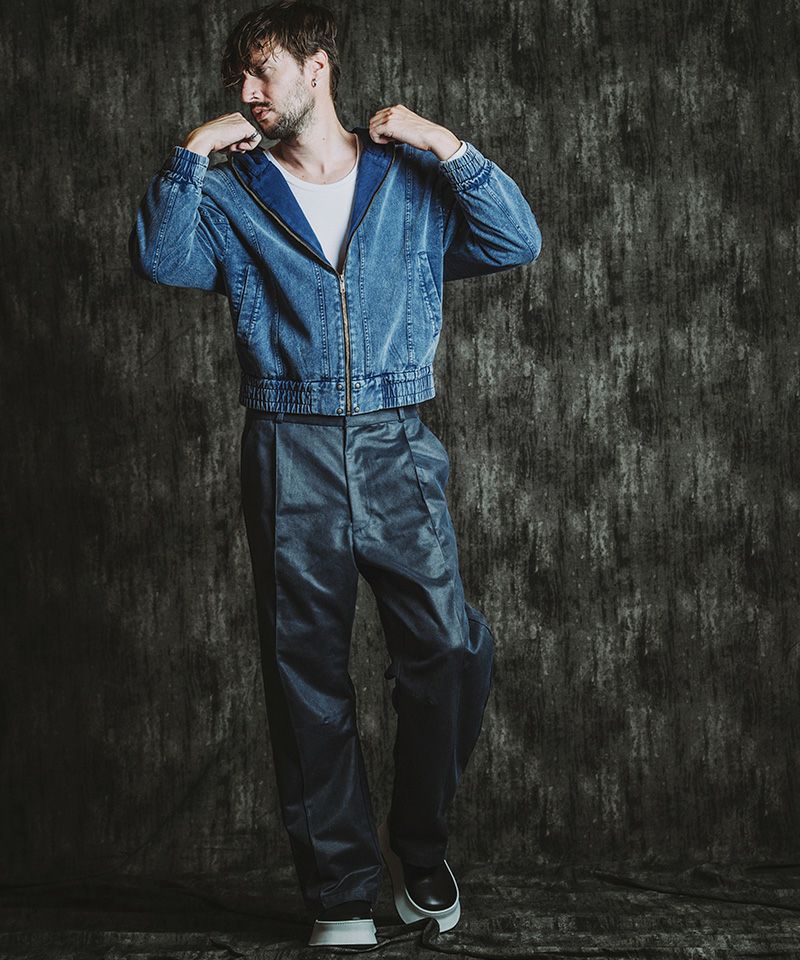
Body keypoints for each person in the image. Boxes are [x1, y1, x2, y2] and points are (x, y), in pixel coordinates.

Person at [129, 0, 541, 947]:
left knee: (450, 652)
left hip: (397, 443)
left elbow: (515, 238)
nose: (246, 92)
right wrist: (193, 150)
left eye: (262, 71)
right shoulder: (232, 192)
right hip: (289, 447)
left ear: (318, 68)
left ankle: (417, 846)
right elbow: (160, 255)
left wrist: (443, 143)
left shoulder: (408, 178)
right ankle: (342, 894)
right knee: (306, 676)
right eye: (239, 76)